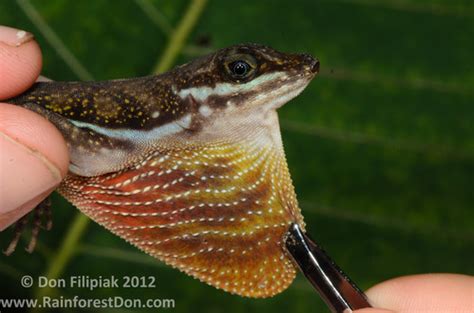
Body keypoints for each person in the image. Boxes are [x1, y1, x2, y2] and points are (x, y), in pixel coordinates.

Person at [0, 25, 472, 312]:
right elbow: (33, 115)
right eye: (241, 70)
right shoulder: (121, 135)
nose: (299, 67)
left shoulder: (122, 143)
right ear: (193, 97)